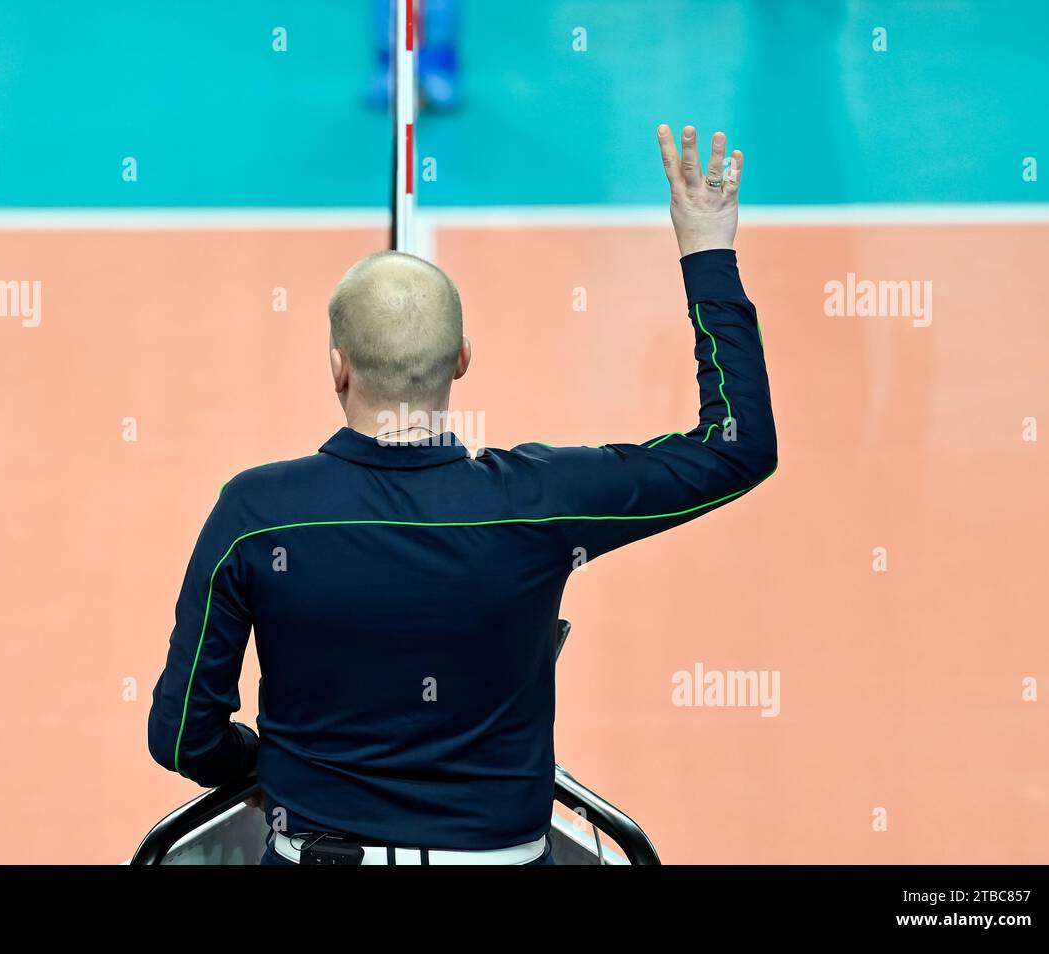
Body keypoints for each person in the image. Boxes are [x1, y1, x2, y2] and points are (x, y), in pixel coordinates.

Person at [147, 125, 776, 865]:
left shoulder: (255, 517)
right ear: (464, 359)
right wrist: (706, 250)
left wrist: (256, 764)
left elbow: (183, 734)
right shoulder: (540, 503)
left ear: (337, 366)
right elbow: (736, 446)